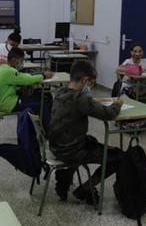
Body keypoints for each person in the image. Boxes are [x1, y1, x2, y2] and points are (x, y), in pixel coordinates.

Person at [48, 61, 124, 205]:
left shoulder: (60, 92)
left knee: (91, 142)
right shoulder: (81, 99)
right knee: (118, 157)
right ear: (85, 80)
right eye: (90, 83)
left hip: (56, 145)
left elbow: (87, 103)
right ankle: (84, 189)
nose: (90, 86)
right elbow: (109, 114)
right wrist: (118, 103)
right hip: (72, 150)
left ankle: (66, 175)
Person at [0, 46, 52, 115]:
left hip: (3, 101)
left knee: (38, 97)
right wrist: (44, 76)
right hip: (8, 104)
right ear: (14, 60)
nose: (21, 63)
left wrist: (18, 89)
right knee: (41, 104)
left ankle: (37, 123)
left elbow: (22, 77)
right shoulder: (9, 71)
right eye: (21, 61)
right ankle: (46, 125)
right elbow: (27, 80)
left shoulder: (4, 67)